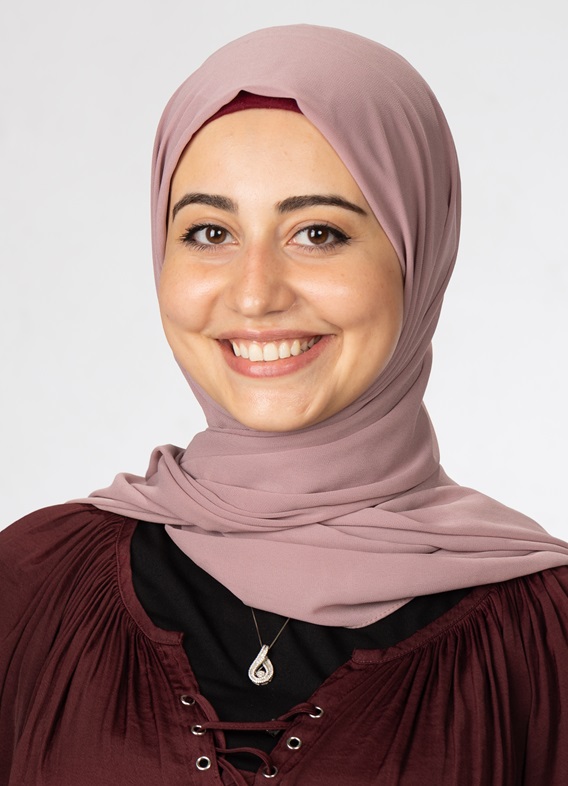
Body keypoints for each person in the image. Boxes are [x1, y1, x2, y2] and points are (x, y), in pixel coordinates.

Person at [1, 24, 567, 786]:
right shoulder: (30, 591)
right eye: (210, 231)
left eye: (317, 233)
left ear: (417, 252)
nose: (254, 293)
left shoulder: (547, 641)